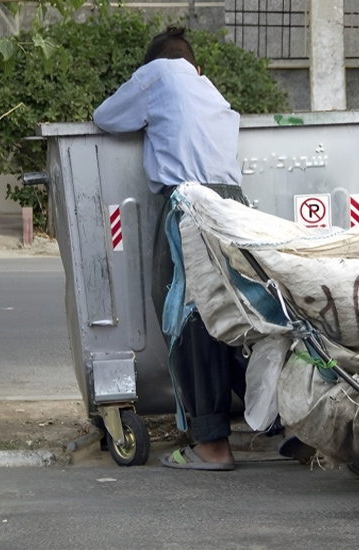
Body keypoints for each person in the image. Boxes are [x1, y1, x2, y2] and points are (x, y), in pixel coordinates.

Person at [93, 26, 249, 470]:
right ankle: (292, 425)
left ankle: (212, 444)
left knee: (187, 316)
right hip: (234, 205)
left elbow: (106, 116)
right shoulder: (209, 88)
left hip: (191, 205)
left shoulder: (159, 73)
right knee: (240, 317)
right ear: (197, 65)